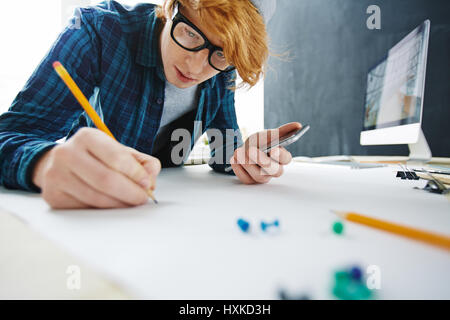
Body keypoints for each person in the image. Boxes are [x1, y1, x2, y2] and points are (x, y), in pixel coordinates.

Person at [0, 0, 301, 209]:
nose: (196, 67)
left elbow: (223, 154)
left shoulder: (222, 68)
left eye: (220, 54)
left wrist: (246, 157)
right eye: (190, 32)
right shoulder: (96, 32)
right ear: (171, 7)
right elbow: (8, 137)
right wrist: (45, 163)